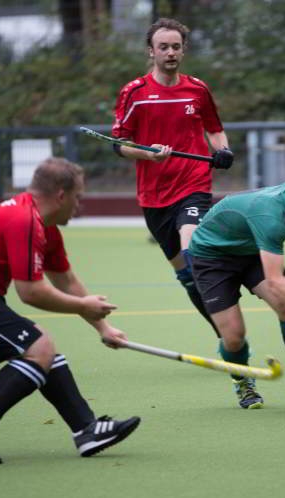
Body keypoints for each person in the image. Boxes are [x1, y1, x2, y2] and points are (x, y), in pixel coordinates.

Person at [0, 158, 140, 465]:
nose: (79, 204)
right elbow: (30, 293)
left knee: (40, 346)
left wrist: (103, 328)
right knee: (39, 347)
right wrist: (85, 306)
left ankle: (87, 430)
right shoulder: (24, 219)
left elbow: (66, 280)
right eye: (78, 196)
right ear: (61, 195)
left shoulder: (44, 225)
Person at [112, 17, 233, 337]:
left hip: (194, 183)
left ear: (184, 50)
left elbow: (214, 128)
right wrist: (147, 153)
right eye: (163, 47)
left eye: (176, 47)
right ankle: (224, 335)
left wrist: (223, 150)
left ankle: (232, 334)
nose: (170, 53)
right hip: (153, 196)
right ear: (150, 51)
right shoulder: (133, 92)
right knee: (187, 277)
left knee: (194, 252)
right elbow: (120, 146)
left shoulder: (197, 89)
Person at [188, 157, 285, 410]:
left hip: (252, 251)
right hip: (212, 256)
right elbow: (274, 280)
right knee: (234, 337)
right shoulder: (270, 214)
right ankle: (242, 380)